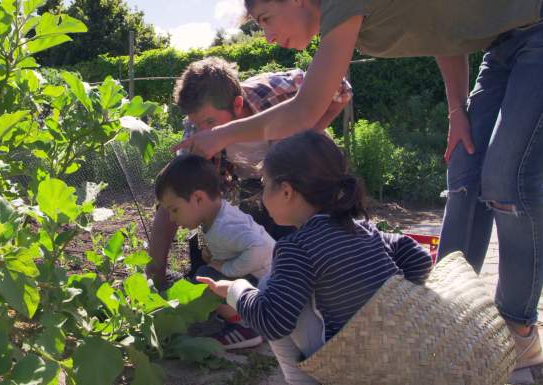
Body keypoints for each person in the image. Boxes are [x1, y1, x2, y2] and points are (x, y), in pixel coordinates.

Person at [177, 0, 543, 370]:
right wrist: (456, 110)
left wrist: (219, 136)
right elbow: (441, 32)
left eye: (267, 19)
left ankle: (519, 327)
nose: (268, 36)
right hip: (498, 49)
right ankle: (446, 313)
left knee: (506, 179)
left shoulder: (341, 4)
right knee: (464, 175)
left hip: (536, 26)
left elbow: (304, 110)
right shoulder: (361, 232)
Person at [198, 132, 434, 384]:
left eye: (265, 185)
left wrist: (235, 290)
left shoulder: (296, 248)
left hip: (349, 367)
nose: (261, 196)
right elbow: (419, 259)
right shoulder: (364, 228)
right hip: (398, 351)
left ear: (286, 191)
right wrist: (388, 305)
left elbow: (273, 321)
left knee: (267, 287)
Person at [146, 57, 352, 289]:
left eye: (210, 121)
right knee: (213, 239)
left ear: (237, 104)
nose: (203, 131)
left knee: (310, 242)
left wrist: (307, 132)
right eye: (196, 123)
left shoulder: (271, 92)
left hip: (305, 174)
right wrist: (156, 270)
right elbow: (176, 193)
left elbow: (341, 88)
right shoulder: (196, 133)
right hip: (254, 183)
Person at [154, 154, 275, 349]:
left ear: (198, 198)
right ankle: (237, 313)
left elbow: (262, 249)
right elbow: (212, 236)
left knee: (206, 279)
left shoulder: (225, 226)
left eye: (174, 210)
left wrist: (227, 269)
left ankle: (245, 326)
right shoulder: (214, 217)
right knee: (205, 276)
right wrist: (209, 250)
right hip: (260, 283)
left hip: (269, 289)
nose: (171, 218)